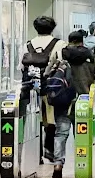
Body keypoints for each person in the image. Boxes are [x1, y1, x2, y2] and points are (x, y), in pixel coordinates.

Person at [45, 30, 95, 178]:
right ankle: (82, 163)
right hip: (83, 101)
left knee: (61, 134)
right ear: (82, 41)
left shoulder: (60, 55)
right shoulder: (90, 56)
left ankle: (58, 164)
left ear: (69, 41)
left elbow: (47, 73)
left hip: (62, 99)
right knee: (81, 134)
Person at [20, 16, 66, 159]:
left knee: (34, 117)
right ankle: (49, 149)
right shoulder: (59, 44)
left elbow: (21, 67)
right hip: (51, 85)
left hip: (31, 85)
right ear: (52, 28)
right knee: (51, 118)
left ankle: (36, 153)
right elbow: (63, 64)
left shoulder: (27, 45)